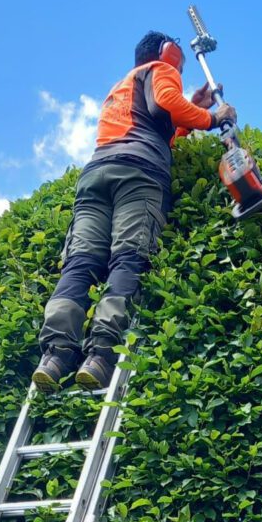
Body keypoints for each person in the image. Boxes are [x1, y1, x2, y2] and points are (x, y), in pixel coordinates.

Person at [31, 31, 237, 392]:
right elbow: (169, 101)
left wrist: (195, 107)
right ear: (168, 54)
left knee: (80, 263)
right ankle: (100, 356)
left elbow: (162, 125)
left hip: (96, 174)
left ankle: (56, 355)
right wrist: (213, 116)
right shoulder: (161, 68)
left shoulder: (121, 87)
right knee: (128, 258)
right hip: (137, 173)